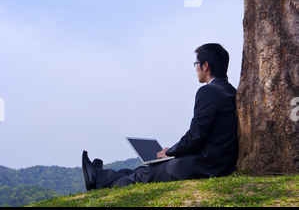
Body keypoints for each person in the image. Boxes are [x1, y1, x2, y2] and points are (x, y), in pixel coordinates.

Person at [82, 43, 238, 190]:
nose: (195, 68)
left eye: (196, 63)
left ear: (205, 66)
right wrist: (172, 151)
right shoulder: (232, 91)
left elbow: (196, 136)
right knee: (147, 170)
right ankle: (99, 176)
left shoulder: (209, 92)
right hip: (220, 161)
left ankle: (99, 182)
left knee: (145, 174)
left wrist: (170, 152)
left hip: (207, 163)